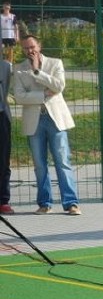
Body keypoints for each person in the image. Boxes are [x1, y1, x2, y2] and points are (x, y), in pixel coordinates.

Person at [11, 35, 81, 215]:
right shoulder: (18, 69)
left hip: (55, 118)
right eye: (26, 48)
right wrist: (43, 95)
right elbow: (19, 96)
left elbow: (59, 86)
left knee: (62, 161)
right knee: (39, 164)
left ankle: (71, 203)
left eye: (32, 47)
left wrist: (37, 72)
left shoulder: (55, 63)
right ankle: (44, 203)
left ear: (39, 46)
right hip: (35, 121)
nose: (30, 51)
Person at [0, 58, 13, 214]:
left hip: (1, 115)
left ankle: (3, 200)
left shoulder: (5, 66)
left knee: (3, 159)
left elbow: (8, 89)